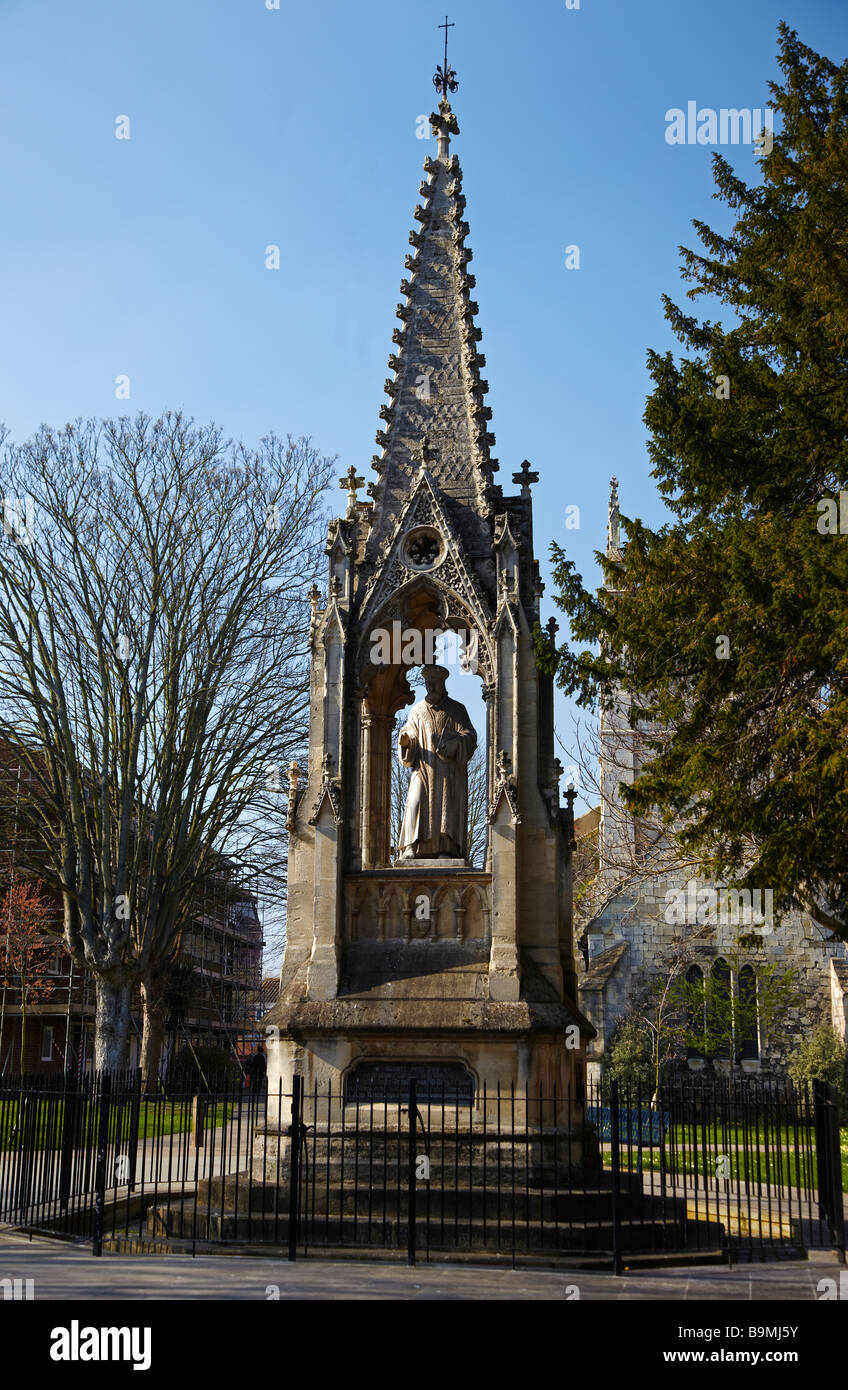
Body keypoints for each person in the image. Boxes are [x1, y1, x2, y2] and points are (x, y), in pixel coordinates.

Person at [397, 665, 477, 859]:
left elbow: (470, 735)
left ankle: (446, 848)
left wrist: (454, 744)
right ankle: (412, 846)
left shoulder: (456, 709)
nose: (430, 687)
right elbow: (408, 732)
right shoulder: (416, 711)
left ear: (443, 684)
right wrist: (406, 741)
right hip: (423, 769)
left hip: (447, 772)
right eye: (428, 683)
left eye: (434, 683)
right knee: (416, 801)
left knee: (445, 808)